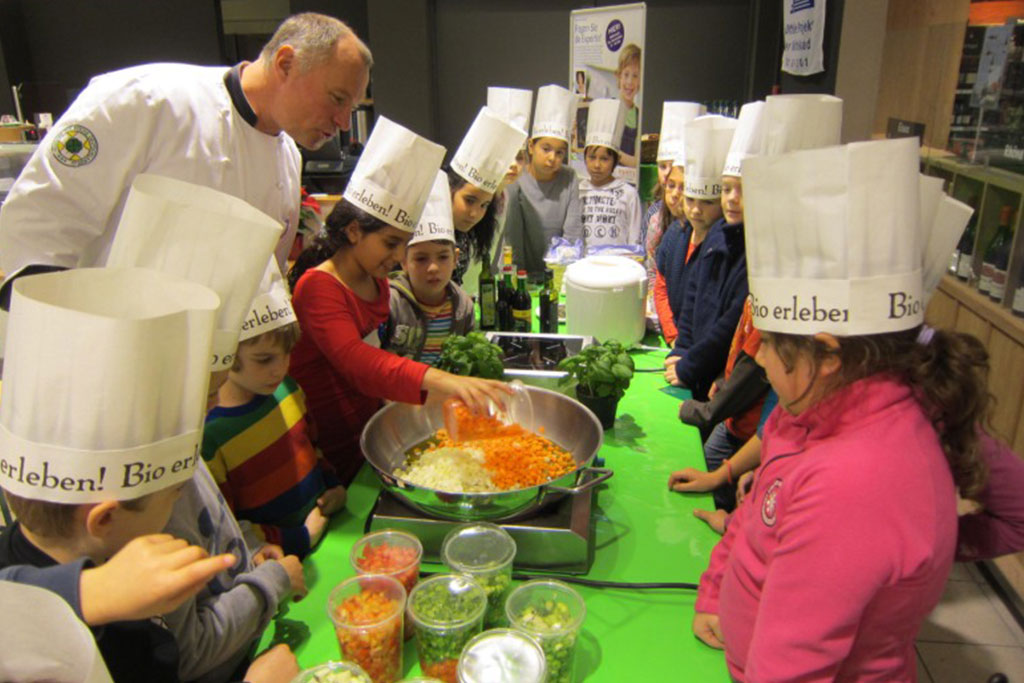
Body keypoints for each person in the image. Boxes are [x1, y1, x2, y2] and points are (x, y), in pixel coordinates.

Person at [692, 137, 983, 680]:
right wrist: (716, 590)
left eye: (771, 346)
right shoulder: (810, 408)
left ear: (825, 353)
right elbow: (759, 508)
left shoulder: (856, 483)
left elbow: (794, 668)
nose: (762, 359)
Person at [0, 267, 297, 683]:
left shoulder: (78, 577)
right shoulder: (125, 634)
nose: (184, 497)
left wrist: (90, 594)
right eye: (176, 492)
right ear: (103, 518)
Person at [0, 12, 372, 306]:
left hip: (208, 377)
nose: (342, 122)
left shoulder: (288, 158)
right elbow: (38, 228)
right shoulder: (146, 101)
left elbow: (259, 282)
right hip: (100, 357)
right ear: (286, 63)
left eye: (351, 107)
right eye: (337, 99)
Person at [105, 176, 307, 683]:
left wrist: (246, 555)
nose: (216, 402)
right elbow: (186, 651)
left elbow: (214, 525)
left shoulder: (181, 444)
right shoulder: (144, 495)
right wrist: (268, 584)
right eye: (207, 392)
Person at [288, 117, 510, 484]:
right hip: (324, 442)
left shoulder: (375, 284)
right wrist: (439, 380)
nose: (397, 258)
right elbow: (357, 361)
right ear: (354, 230)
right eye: (392, 244)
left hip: (368, 427)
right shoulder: (319, 287)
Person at [203, 271, 347, 560]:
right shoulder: (212, 434)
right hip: (279, 559)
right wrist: (298, 538)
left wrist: (333, 486)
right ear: (227, 354)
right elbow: (227, 525)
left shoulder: (288, 390)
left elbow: (312, 448)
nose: (279, 369)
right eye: (265, 359)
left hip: (327, 530)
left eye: (287, 353)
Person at [662, 115, 742, 402]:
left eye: (708, 202)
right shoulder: (714, 233)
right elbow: (693, 299)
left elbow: (728, 323)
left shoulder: (744, 249)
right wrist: (682, 348)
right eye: (728, 189)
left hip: (716, 374)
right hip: (694, 363)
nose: (732, 199)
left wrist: (691, 363)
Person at [385, 171, 475, 365]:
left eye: (443, 257)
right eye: (421, 258)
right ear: (403, 261)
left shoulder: (463, 307)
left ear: (455, 259)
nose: (433, 267)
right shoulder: (390, 303)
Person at [503, 85, 583, 280]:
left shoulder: (570, 178)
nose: (552, 158)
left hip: (559, 276)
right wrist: (519, 282)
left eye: (559, 152)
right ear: (531, 146)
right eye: (545, 148)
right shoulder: (517, 180)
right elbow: (514, 242)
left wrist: (562, 276)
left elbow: (572, 234)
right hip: (524, 276)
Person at [446, 107, 526, 286]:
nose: (474, 214)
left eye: (484, 205)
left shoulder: (466, 235)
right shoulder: (432, 235)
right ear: (449, 189)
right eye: (469, 200)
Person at [649, 102, 705, 338]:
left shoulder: (707, 235)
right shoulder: (667, 228)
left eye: (684, 188)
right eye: (671, 185)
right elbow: (659, 280)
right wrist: (672, 335)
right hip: (670, 324)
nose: (675, 193)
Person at [578, 99, 643, 253]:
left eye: (604, 159)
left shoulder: (628, 193)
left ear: (615, 160)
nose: (597, 165)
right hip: (584, 269)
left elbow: (634, 239)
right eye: (592, 157)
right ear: (585, 157)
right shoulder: (577, 190)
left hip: (617, 269)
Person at [615, 43, 642, 168]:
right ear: (619, 76)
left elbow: (637, 162)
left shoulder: (639, 116)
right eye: (626, 74)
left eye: (635, 76)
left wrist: (613, 152)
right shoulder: (608, 108)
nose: (630, 82)